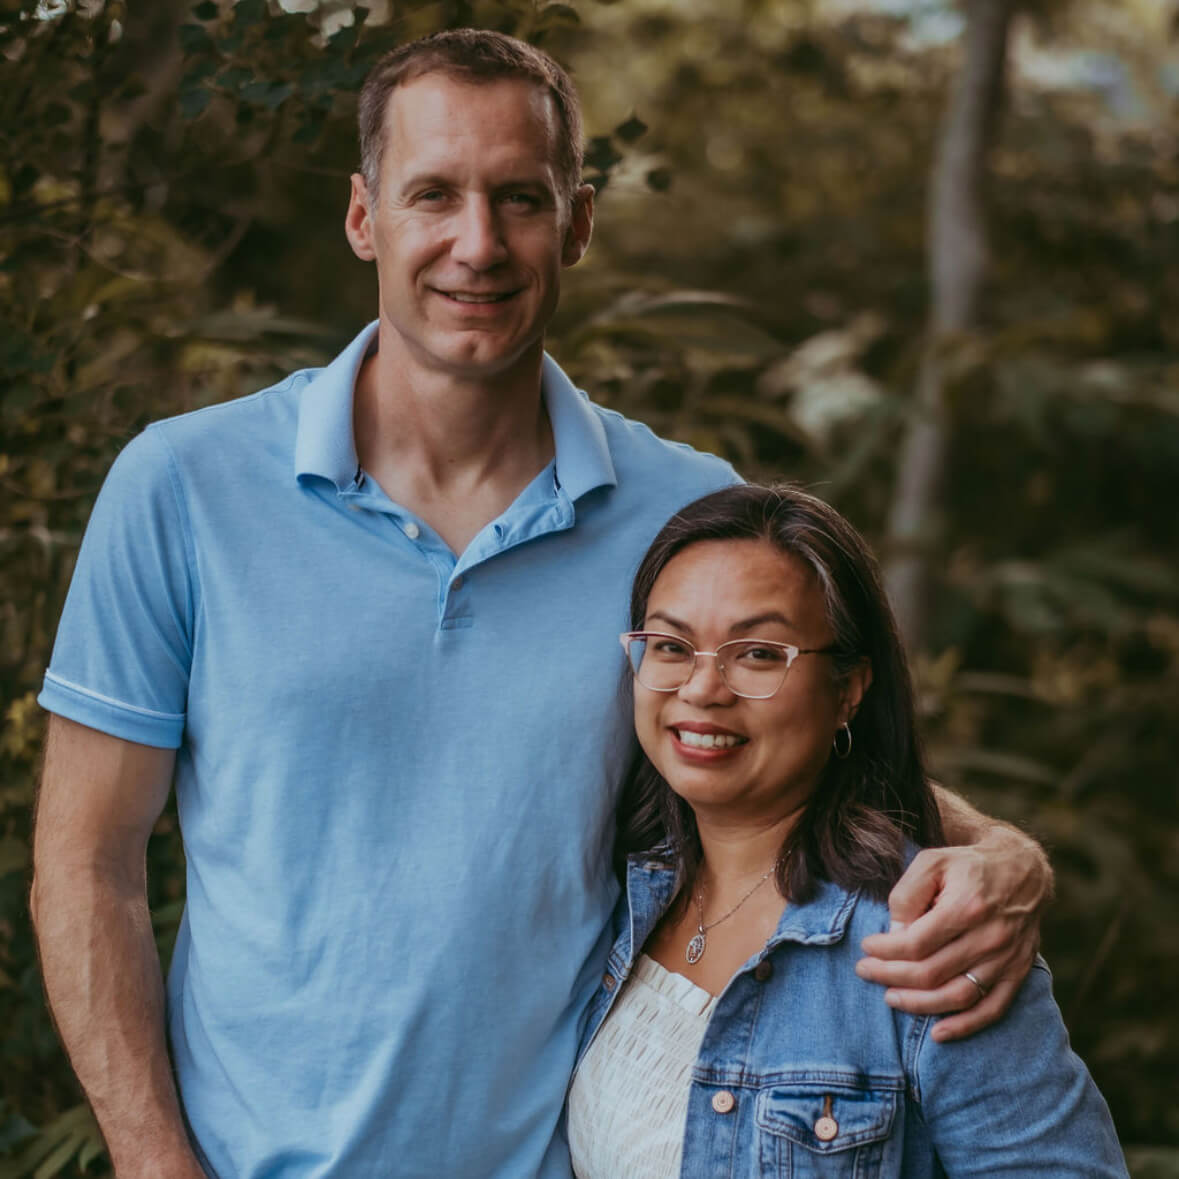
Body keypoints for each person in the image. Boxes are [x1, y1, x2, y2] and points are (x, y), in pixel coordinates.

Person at [32, 29, 1049, 1179]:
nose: (478, 244)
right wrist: (155, 1163)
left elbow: (794, 738)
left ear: (579, 221)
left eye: (520, 198)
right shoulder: (183, 488)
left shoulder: (687, 511)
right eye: (435, 195)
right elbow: (88, 862)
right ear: (365, 217)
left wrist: (1007, 851)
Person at [566, 482, 1127, 1178]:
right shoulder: (618, 891)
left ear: (848, 689)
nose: (703, 688)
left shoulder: (921, 940)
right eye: (669, 644)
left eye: (758, 653)